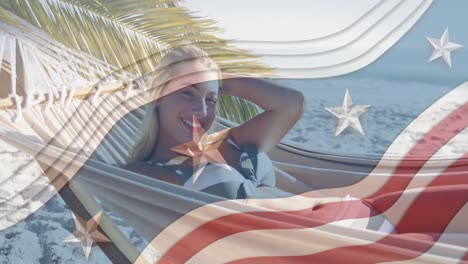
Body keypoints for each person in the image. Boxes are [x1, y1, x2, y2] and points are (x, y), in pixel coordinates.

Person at [124, 45, 305, 199]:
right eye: (187, 92)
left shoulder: (230, 141)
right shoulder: (140, 173)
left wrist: (216, 79)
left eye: (210, 100)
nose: (202, 111)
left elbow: (292, 103)